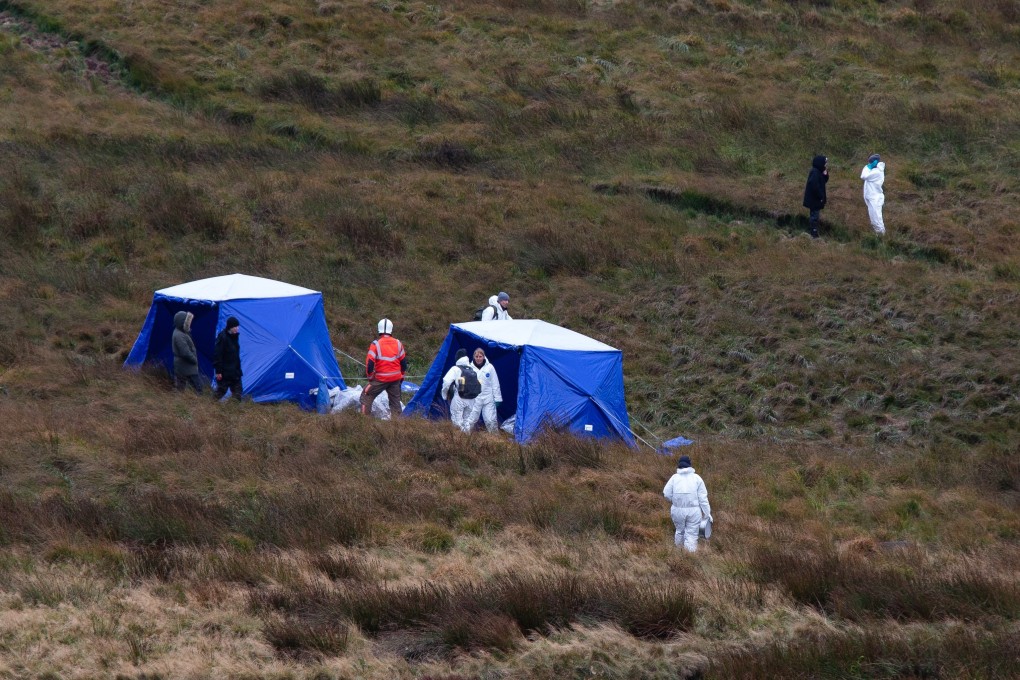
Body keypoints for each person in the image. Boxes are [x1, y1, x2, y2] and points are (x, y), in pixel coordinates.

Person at [662, 455, 712, 553]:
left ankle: (678, 553)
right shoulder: (697, 478)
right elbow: (703, 499)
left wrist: (676, 500)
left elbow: (666, 494)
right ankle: (689, 558)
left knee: (680, 531)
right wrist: (707, 514)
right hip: (694, 511)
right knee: (692, 535)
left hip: (677, 510)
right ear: (689, 465)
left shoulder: (674, 478)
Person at [360, 318, 407, 420]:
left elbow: (370, 365)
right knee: (395, 403)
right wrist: (401, 377)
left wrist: (370, 377)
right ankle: (397, 425)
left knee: (366, 395)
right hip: (395, 379)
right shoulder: (398, 343)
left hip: (380, 379)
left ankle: (364, 422)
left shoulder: (375, 344)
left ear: (379, 329)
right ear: (391, 329)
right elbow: (404, 364)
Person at [441, 349, 482, 433]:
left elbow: (446, 381)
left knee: (457, 421)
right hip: (471, 399)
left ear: (457, 358)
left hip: (459, 397)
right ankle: (467, 442)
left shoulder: (455, 368)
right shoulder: (472, 369)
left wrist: (444, 394)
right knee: (466, 421)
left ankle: (458, 443)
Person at [469, 348, 502, 433]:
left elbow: (495, 383)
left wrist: (498, 398)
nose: (478, 358)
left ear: (483, 357)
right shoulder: (469, 368)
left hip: (488, 398)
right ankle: (464, 439)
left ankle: (494, 440)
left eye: (480, 356)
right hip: (475, 399)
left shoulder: (489, 367)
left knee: (490, 420)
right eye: (476, 356)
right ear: (473, 357)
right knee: (470, 420)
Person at [172, 310, 202, 393]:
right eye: (188, 321)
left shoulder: (182, 332)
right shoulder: (179, 335)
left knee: (181, 389)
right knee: (198, 389)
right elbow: (185, 352)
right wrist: (194, 359)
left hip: (184, 366)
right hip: (186, 366)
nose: (189, 323)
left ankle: (180, 404)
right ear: (183, 322)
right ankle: (198, 404)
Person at [213, 316, 243, 400]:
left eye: (237, 327)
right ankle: (209, 406)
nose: (237, 329)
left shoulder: (235, 337)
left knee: (238, 394)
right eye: (235, 327)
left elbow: (236, 356)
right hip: (225, 373)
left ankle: (233, 410)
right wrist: (218, 371)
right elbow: (217, 355)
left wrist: (238, 370)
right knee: (220, 392)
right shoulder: (222, 337)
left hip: (235, 373)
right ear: (230, 327)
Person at [802, 155, 829, 238]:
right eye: (825, 163)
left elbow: (824, 181)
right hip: (814, 199)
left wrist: (825, 174)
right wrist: (820, 196)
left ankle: (814, 231)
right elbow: (814, 185)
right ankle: (813, 232)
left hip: (816, 199)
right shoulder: (814, 172)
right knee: (814, 216)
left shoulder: (819, 171)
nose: (825, 165)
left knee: (815, 215)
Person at [860, 153, 886, 236]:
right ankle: (879, 234)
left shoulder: (877, 172)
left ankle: (881, 235)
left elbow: (863, 176)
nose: (869, 164)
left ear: (874, 162)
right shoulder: (874, 170)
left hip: (875, 198)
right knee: (874, 219)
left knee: (876, 218)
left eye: (870, 162)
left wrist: (868, 167)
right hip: (871, 197)